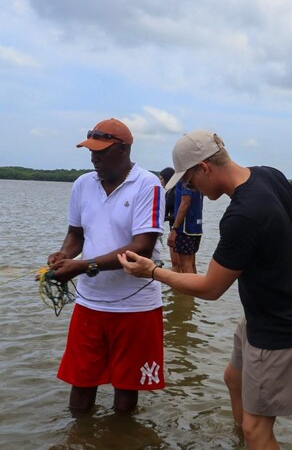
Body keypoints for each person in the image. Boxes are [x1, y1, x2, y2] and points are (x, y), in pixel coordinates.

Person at [118, 130, 292, 449]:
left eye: (188, 179)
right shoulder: (271, 176)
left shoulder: (242, 216)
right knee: (232, 378)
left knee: (258, 428)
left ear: (204, 168)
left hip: (278, 329)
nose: (187, 187)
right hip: (259, 316)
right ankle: (242, 443)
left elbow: (211, 288)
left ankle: (252, 439)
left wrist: (153, 271)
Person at [44, 118, 165, 413]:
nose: (93, 157)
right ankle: (81, 439)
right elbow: (76, 234)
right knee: (81, 382)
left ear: (123, 150)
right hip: (90, 304)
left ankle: (121, 438)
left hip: (135, 306)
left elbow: (141, 248)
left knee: (126, 388)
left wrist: (82, 266)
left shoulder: (148, 184)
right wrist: (64, 255)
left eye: (101, 151)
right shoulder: (83, 184)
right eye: (91, 151)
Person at [167, 178, 203, 273]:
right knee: (191, 264)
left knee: (186, 265)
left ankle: (189, 288)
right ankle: (196, 287)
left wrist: (174, 229)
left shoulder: (184, 180)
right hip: (197, 227)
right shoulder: (198, 180)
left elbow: (185, 203)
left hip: (185, 228)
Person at [159, 167, 180, 271]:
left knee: (177, 264)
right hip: (172, 229)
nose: (160, 181)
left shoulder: (177, 192)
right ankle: (175, 287)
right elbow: (164, 213)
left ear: (168, 178)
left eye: (162, 178)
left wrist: (164, 218)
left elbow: (178, 214)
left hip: (179, 230)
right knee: (175, 263)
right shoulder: (168, 193)